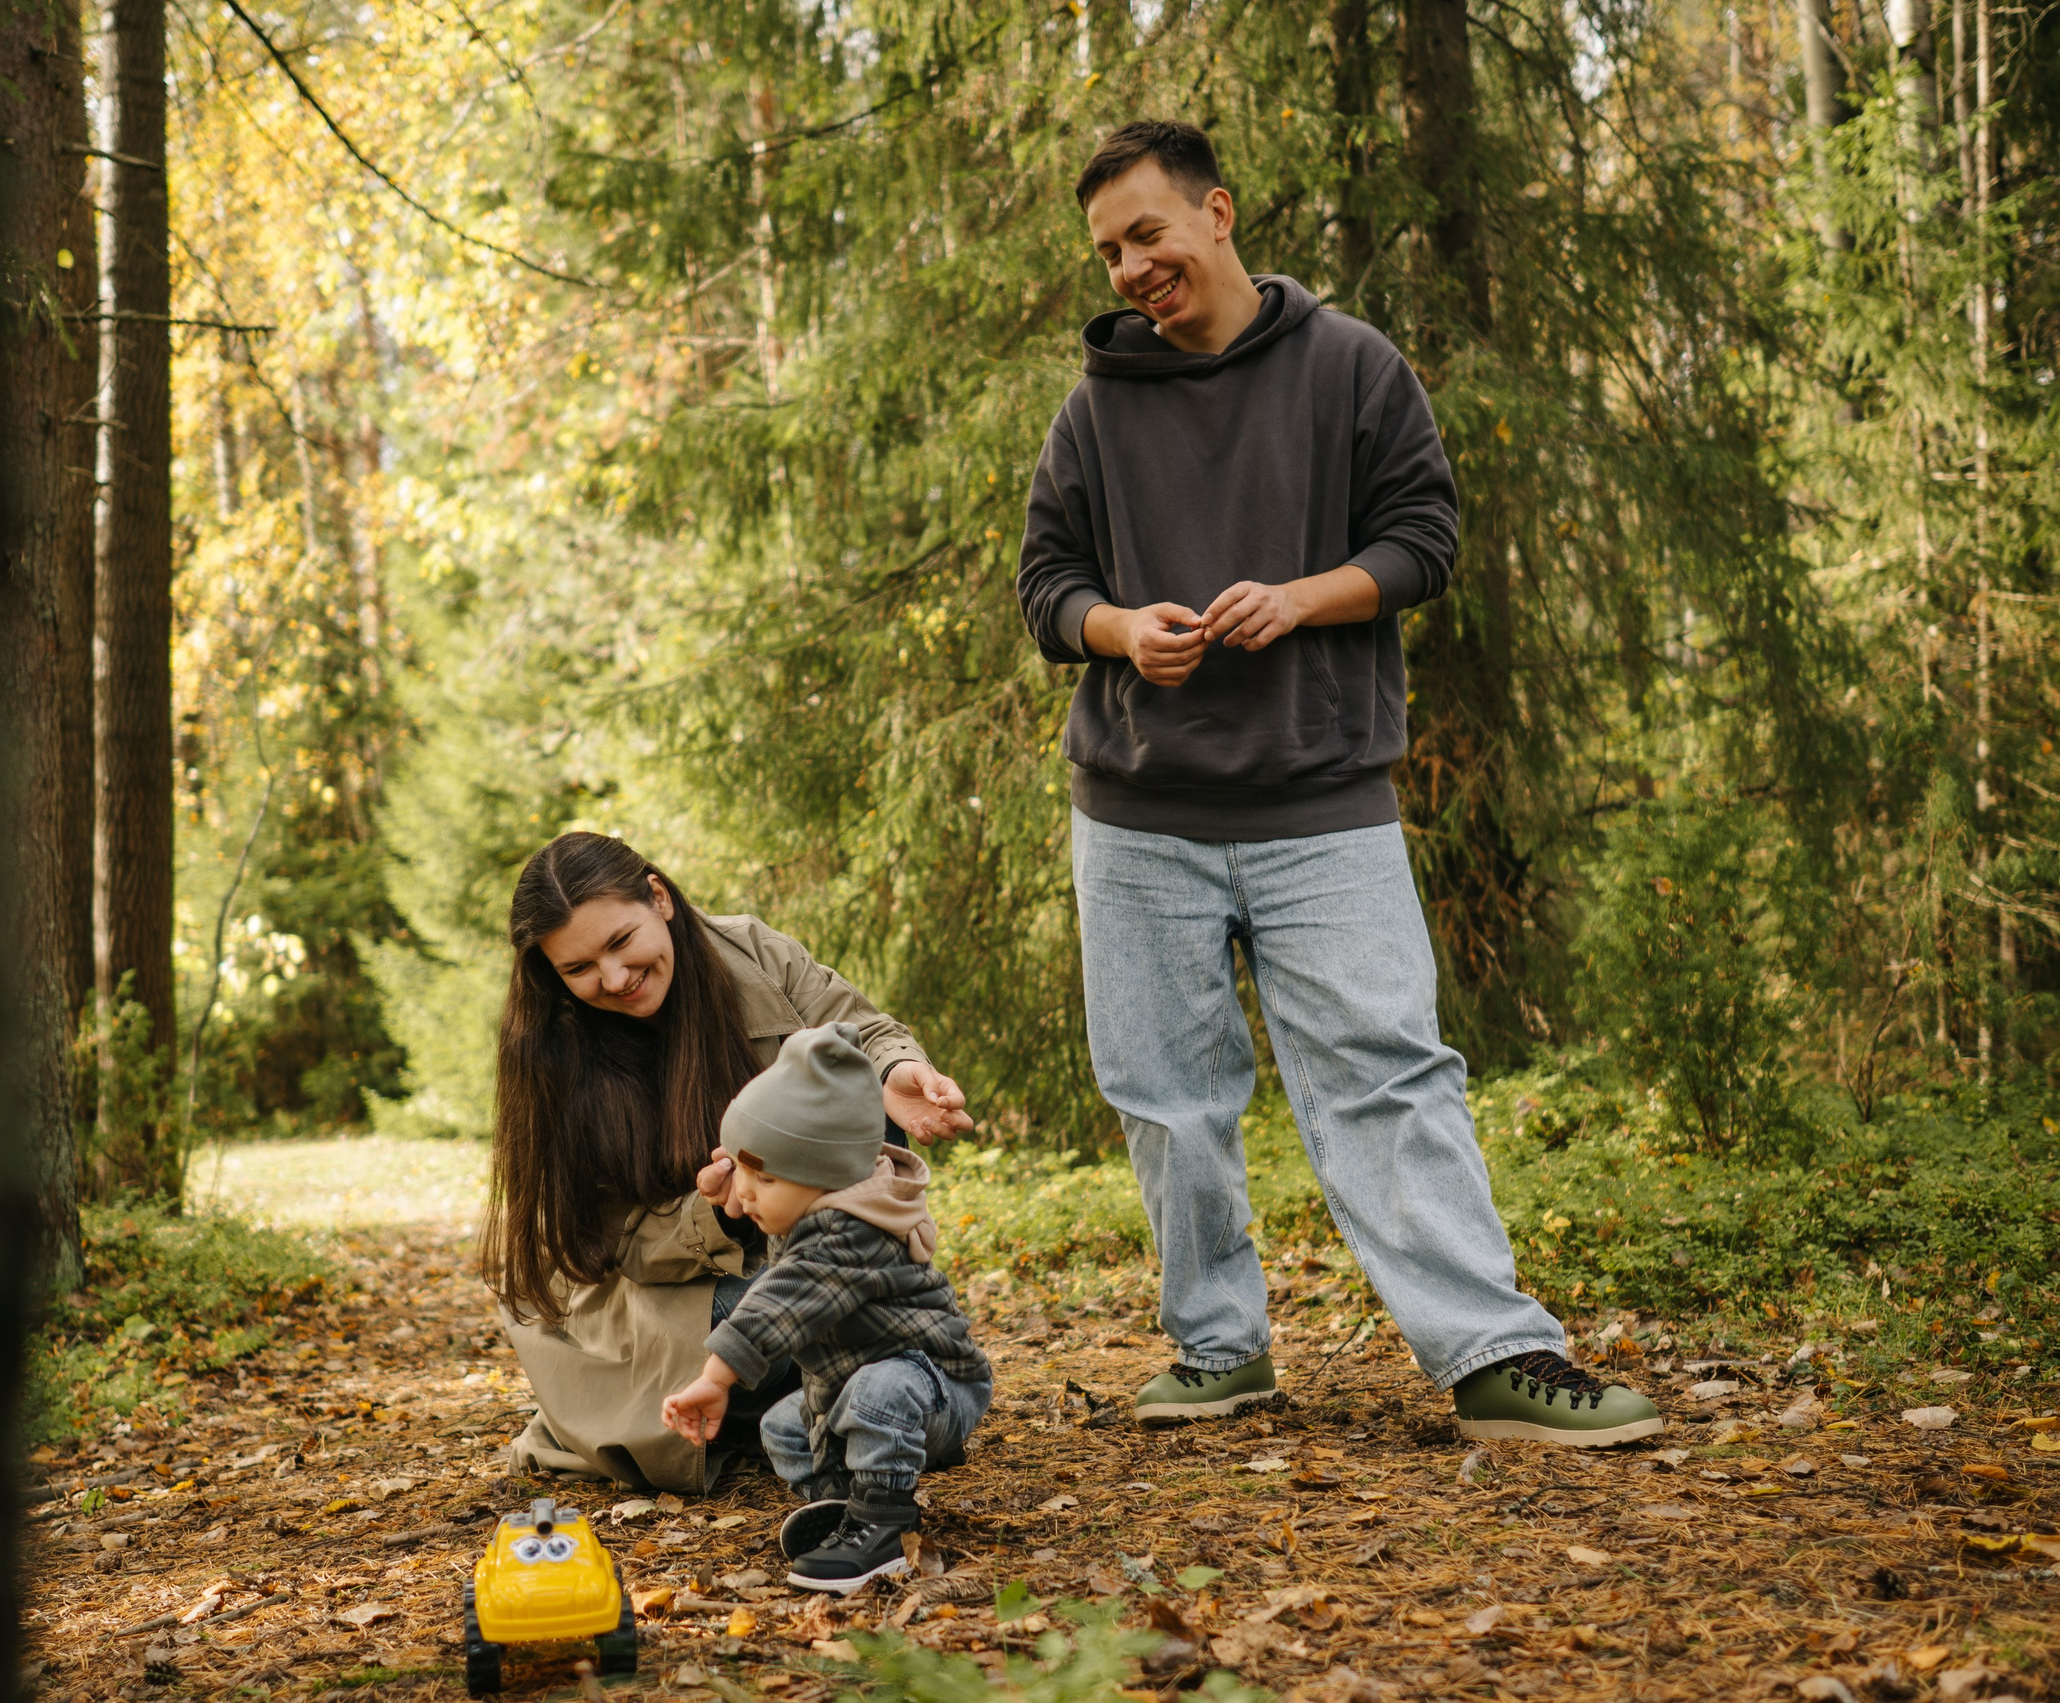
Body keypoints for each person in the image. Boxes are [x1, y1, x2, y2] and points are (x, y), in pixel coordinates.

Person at [1013, 119, 1660, 1447]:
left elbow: (1426, 539)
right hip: (1138, 810)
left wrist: (1302, 599)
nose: (1132, 267)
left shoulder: (1352, 367)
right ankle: (1217, 1350)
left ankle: (1491, 1352)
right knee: (1168, 1096)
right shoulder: (1094, 409)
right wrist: (1121, 629)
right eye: (1109, 250)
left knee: (1388, 1074)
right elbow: (1045, 586)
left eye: (1150, 234)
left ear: (1219, 213)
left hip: (1323, 803)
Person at [486, 832, 975, 1491]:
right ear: (552, 974)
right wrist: (717, 1213)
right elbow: (609, 1243)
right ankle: (837, 1391)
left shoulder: (748, 949)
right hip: (654, 1291)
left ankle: (842, 1392)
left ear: (658, 897)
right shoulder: (552, 1044)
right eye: (578, 968)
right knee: (779, 1308)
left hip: (778, 1247)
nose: (612, 977)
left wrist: (898, 1068)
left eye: (620, 941)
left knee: (859, 1107)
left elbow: (854, 1027)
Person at [661, 1024, 990, 1593]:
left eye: (763, 1177)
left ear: (822, 1176)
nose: (747, 1192)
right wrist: (743, 1181)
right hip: (855, 1389)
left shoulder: (854, 1231)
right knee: (785, 1427)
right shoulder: (815, 1200)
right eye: (744, 1172)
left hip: (934, 1387)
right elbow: (780, 1210)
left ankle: (883, 1528)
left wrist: (717, 1376)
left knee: (877, 1393)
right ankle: (847, 1506)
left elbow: (782, 1298)